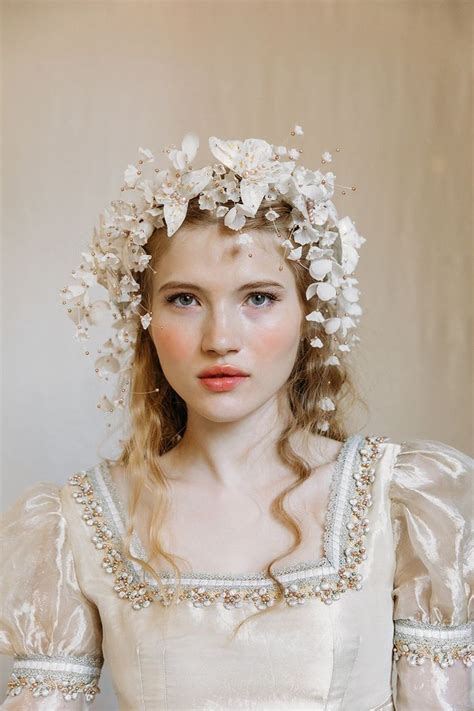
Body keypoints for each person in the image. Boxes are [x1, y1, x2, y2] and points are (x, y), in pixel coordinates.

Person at [0, 128, 472, 710]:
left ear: (308, 316)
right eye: (184, 299)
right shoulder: (77, 523)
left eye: (258, 298)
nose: (220, 339)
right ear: (146, 321)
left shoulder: (398, 502)